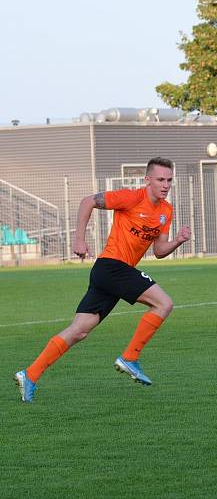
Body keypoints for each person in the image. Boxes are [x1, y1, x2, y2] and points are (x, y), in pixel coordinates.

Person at [14, 157, 191, 403]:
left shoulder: (165, 211)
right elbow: (88, 201)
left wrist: (178, 241)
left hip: (113, 274)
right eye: (160, 179)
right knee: (164, 303)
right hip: (111, 267)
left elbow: (159, 251)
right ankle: (130, 357)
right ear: (147, 180)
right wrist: (79, 239)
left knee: (79, 331)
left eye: (169, 180)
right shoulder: (131, 197)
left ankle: (29, 375)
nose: (166, 185)